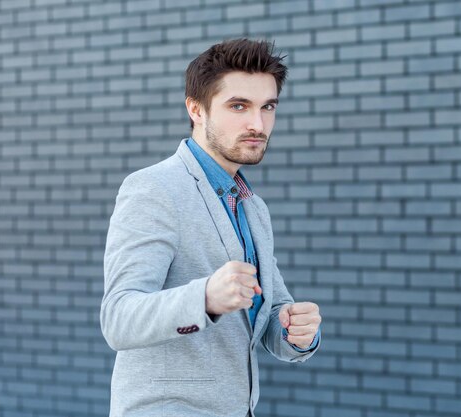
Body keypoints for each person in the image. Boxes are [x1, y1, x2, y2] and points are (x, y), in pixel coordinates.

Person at [100, 38, 322, 417]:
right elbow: (118, 319)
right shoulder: (154, 188)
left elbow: (266, 317)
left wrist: (296, 332)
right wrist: (204, 297)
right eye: (239, 106)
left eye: (267, 107)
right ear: (196, 109)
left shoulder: (252, 207)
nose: (258, 124)